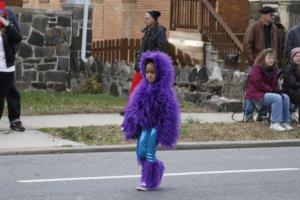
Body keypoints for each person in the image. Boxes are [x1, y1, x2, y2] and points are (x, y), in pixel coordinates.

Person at [122, 51, 180, 191]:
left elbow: (170, 113)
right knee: (140, 152)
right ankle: (154, 169)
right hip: (145, 126)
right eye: (147, 72)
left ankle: (149, 181)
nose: (149, 75)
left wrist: (165, 129)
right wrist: (128, 122)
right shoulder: (141, 89)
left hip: (156, 127)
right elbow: (133, 107)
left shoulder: (165, 91)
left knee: (149, 152)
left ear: (160, 72)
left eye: (153, 72)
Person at [245, 48, 293, 131]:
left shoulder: (274, 70)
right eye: (269, 58)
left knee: (285, 97)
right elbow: (258, 83)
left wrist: (277, 90)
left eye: (272, 58)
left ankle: (285, 122)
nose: (271, 60)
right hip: (256, 95)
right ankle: (275, 123)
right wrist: (271, 90)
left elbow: (274, 84)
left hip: (267, 94)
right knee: (276, 98)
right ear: (263, 59)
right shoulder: (257, 69)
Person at [130, 10, 168, 96]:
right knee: (134, 90)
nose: (144, 20)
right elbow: (142, 47)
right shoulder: (147, 31)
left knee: (147, 93)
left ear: (153, 19)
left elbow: (161, 48)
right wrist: (138, 54)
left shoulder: (160, 31)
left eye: (147, 18)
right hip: (141, 66)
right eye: (144, 18)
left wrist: (148, 57)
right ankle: (133, 108)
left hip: (150, 68)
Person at [0, 2, 24, 131]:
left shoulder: (8, 13)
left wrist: (10, 53)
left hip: (6, 64)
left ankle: (15, 120)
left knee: (12, 91)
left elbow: (17, 36)